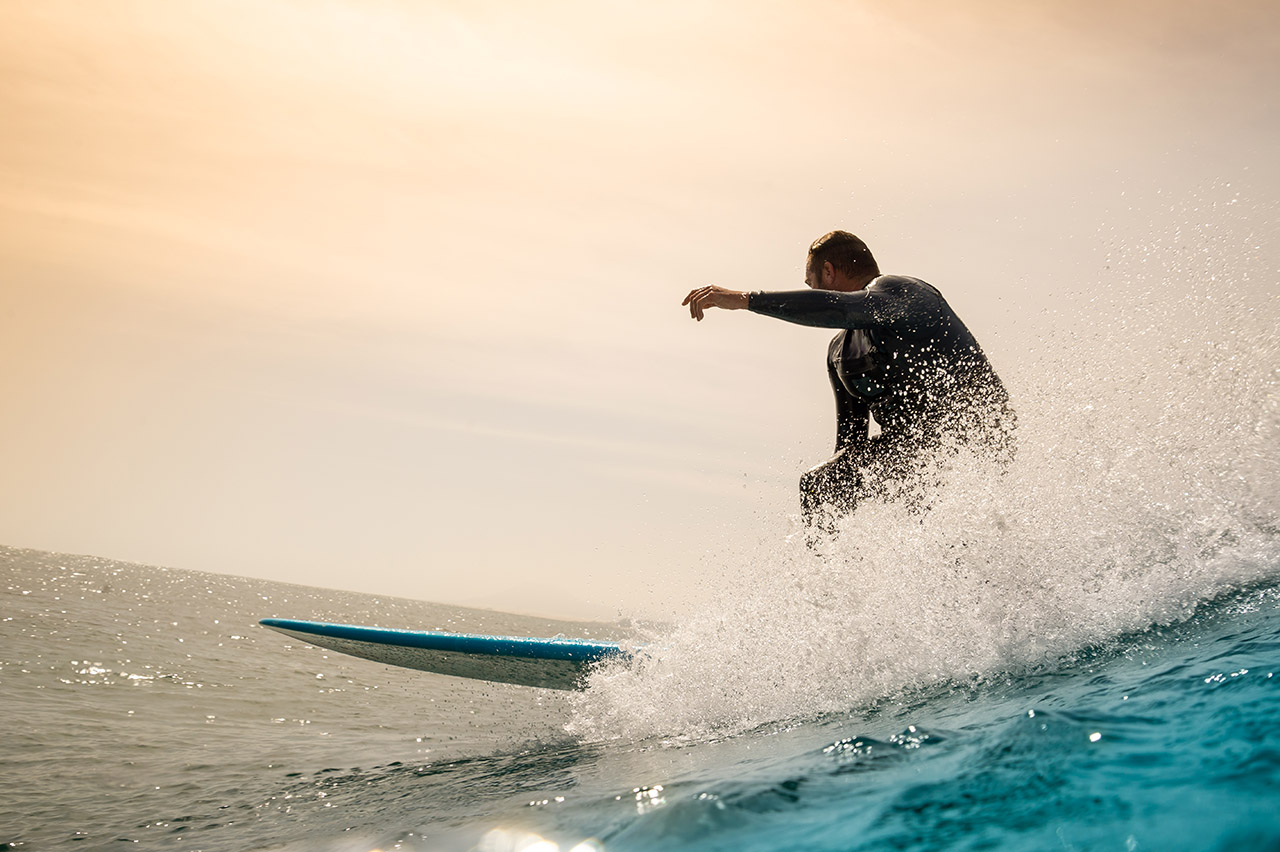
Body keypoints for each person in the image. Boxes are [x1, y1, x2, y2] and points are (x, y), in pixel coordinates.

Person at [681, 230, 1014, 527]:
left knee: (949, 514)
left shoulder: (903, 292)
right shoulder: (841, 352)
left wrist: (744, 300)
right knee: (820, 485)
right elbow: (850, 448)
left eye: (811, 284)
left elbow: (838, 308)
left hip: (972, 431)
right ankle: (836, 589)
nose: (810, 292)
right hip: (914, 450)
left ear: (829, 272)